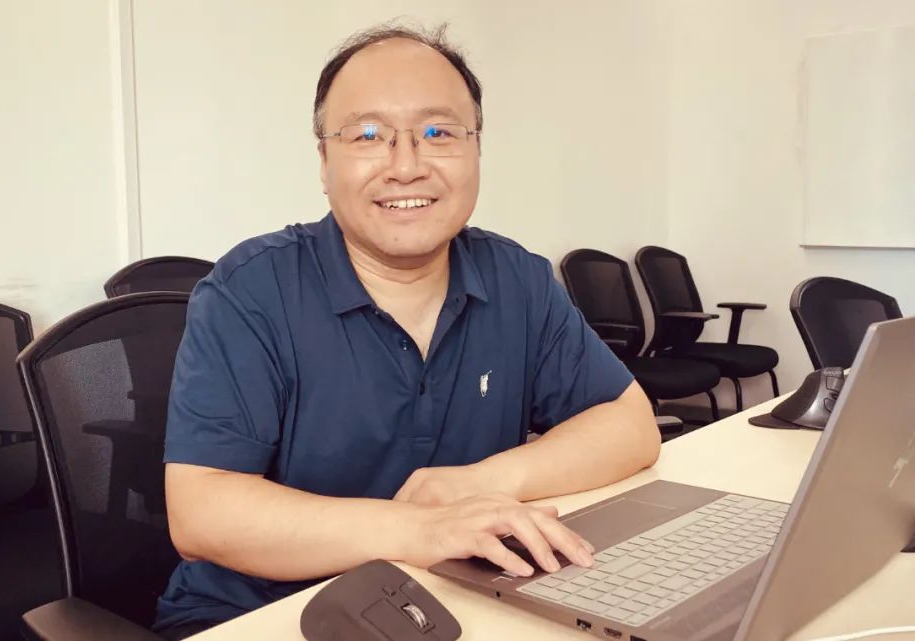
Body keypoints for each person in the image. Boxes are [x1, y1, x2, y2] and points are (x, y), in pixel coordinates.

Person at [154, 22, 659, 640]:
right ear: (324, 162)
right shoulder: (250, 291)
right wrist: (422, 529)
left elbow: (630, 424)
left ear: (477, 151)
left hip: (449, 598)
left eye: (438, 132)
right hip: (261, 616)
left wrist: (478, 485)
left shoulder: (516, 279)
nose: (406, 166)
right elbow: (201, 512)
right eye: (368, 135)